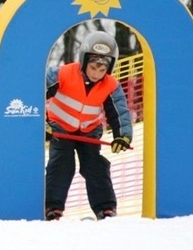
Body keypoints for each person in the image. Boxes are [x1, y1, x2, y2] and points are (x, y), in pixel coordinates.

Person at [44, 31, 133, 221]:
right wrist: (40, 125)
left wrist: (123, 135)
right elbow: (33, 91)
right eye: (93, 67)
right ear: (84, 62)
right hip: (61, 128)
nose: (96, 73)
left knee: (95, 166)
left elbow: (119, 111)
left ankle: (106, 209)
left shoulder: (110, 85)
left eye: (102, 70)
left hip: (89, 131)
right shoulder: (63, 73)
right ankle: (52, 207)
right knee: (61, 164)